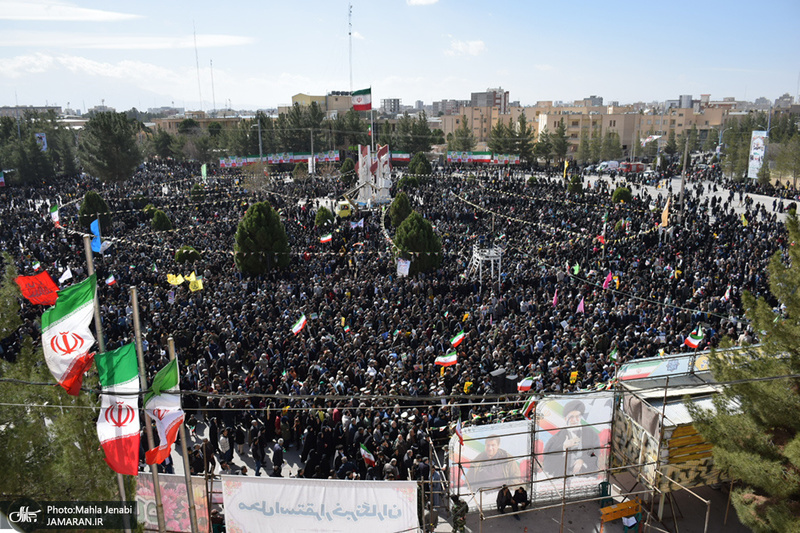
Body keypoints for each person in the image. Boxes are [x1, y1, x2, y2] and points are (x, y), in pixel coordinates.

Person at [542, 400, 600, 478]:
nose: (575, 420)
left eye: (578, 416)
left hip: (586, 477)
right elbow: (547, 461)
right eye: (572, 417)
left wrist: (583, 460)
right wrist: (563, 447)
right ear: (566, 419)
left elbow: (595, 452)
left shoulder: (591, 433)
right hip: (563, 480)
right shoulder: (555, 439)